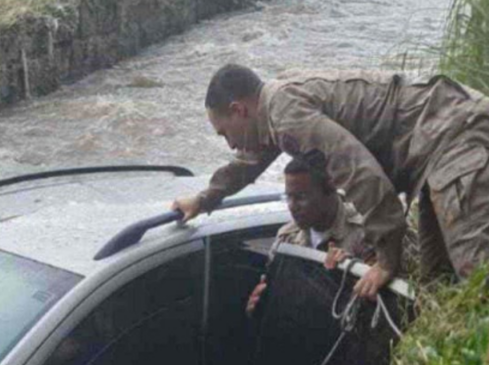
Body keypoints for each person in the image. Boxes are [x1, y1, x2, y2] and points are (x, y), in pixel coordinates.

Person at [173, 64, 489, 299]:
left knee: (477, 274)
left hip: (454, 134)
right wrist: (203, 201)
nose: (229, 144)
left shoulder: (286, 116)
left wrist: (386, 262)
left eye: (224, 132)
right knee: (440, 287)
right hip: (435, 148)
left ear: (238, 110)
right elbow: (248, 164)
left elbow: (363, 177)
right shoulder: (275, 111)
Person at [246, 154, 374, 316]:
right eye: (288, 197)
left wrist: (343, 276)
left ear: (329, 190)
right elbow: (276, 305)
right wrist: (257, 308)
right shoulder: (286, 238)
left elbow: (377, 314)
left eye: (300, 197)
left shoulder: (366, 234)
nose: (292, 206)